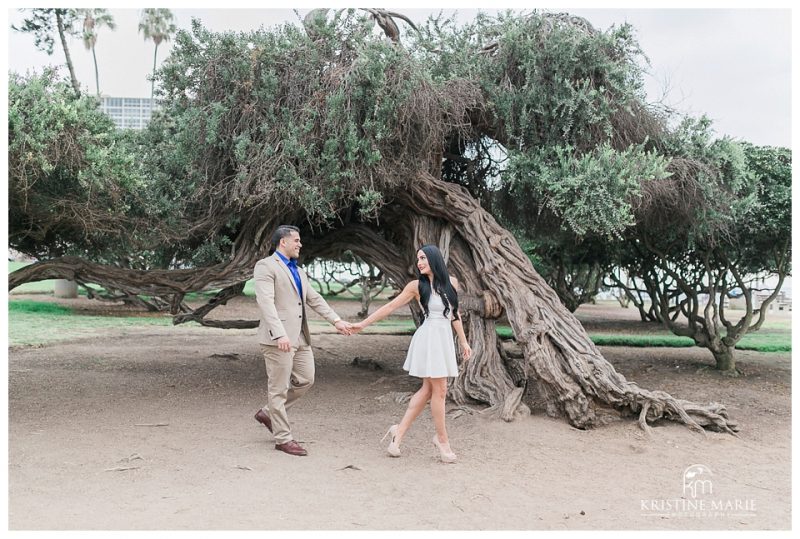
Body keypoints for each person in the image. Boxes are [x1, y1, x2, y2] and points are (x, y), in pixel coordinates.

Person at [351, 244, 472, 463]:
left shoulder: (451, 283)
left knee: (428, 390)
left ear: (434, 259)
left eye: (423, 258)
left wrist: (463, 342)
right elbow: (389, 308)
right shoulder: (416, 286)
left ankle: (398, 433)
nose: (420, 263)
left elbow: (455, 315)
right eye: (418, 259)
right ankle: (442, 440)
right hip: (428, 339)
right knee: (441, 390)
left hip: (443, 340)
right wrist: (362, 324)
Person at [253, 225, 352, 456]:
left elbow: (314, 299)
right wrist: (279, 334)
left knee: (306, 379)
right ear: (282, 242)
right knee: (277, 389)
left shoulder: (299, 270)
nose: (300, 244)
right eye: (296, 240)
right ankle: (283, 438)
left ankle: (269, 413)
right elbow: (265, 302)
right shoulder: (265, 266)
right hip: (278, 338)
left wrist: (336, 321)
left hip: (300, 336)